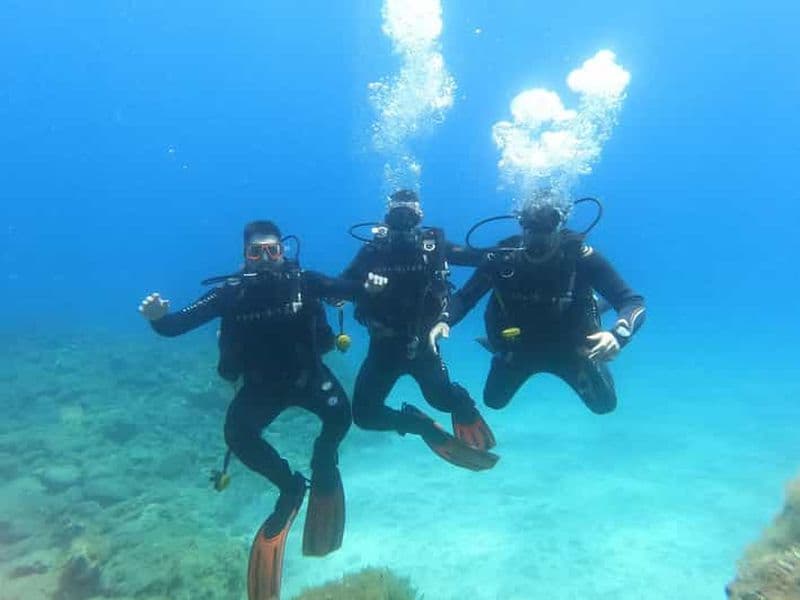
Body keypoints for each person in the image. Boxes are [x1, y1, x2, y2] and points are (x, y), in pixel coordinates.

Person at [138, 220, 386, 600]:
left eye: (272, 250)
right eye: (257, 252)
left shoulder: (305, 281)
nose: (266, 259)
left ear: (283, 251)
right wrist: (158, 319)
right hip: (261, 389)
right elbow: (178, 324)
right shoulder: (230, 294)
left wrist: (371, 287)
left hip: (308, 378)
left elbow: (349, 289)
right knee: (237, 434)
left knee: (340, 417)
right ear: (245, 256)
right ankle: (290, 487)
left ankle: (323, 463)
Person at [341, 189, 499, 471]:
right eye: (396, 218)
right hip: (384, 349)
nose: (403, 224)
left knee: (442, 400)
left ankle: (464, 405)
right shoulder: (372, 252)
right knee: (364, 415)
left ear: (420, 219)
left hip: (424, 346)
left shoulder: (434, 248)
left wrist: (519, 248)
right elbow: (337, 292)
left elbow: (483, 259)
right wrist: (364, 288)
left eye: (409, 218)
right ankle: (418, 425)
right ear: (386, 220)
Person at [450, 201, 646, 414]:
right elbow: (464, 298)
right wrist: (444, 321)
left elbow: (631, 301)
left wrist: (618, 335)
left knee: (604, 405)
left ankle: (595, 315)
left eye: (546, 229)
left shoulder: (580, 257)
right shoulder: (502, 259)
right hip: (519, 347)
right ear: (522, 226)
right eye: (532, 230)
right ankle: (499, 351)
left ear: (559, 226)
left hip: (573, 347)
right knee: (494, 401)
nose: (538, 238)